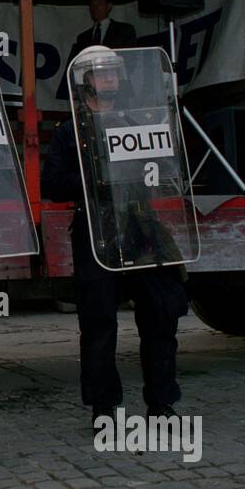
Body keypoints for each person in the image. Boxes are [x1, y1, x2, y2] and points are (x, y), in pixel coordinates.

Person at [42, 46, 188, 425]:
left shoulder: (136, 121)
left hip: (140, 226)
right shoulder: (69, 130)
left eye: (114, 73)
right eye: (102, 73)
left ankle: (161, 401)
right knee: (98, 322)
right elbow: (52, 184)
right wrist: (94, 180)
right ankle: (103, 407)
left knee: (160, 313)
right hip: (96, 229)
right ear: (86, 79)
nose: (111, 79)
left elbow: (166, 168)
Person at [68, 0, 136, 62]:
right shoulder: (82, 38)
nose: (95, 7)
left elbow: (130, 60)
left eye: (99, 3)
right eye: (92, 5)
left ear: (109, 6)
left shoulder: (124, 30)